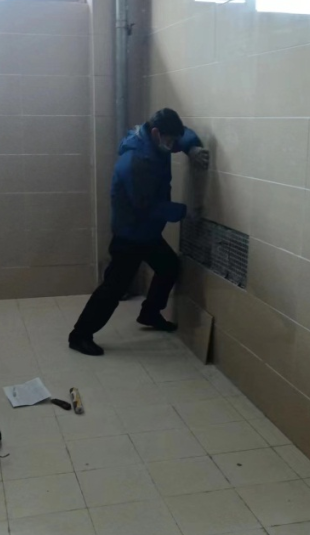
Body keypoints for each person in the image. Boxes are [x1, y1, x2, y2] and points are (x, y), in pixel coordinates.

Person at [68, 108, 209, 356]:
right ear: (156, 133)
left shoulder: (156, 141)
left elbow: (183, 134)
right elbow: (147, 206)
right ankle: (79, 335)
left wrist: (192, 147)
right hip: (130, 234)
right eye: (170, 141)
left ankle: (150, 313)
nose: (173, 146)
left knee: (169, 266)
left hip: (147, 232)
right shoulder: (137, 162)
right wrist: (184, 211)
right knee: (114, 288)